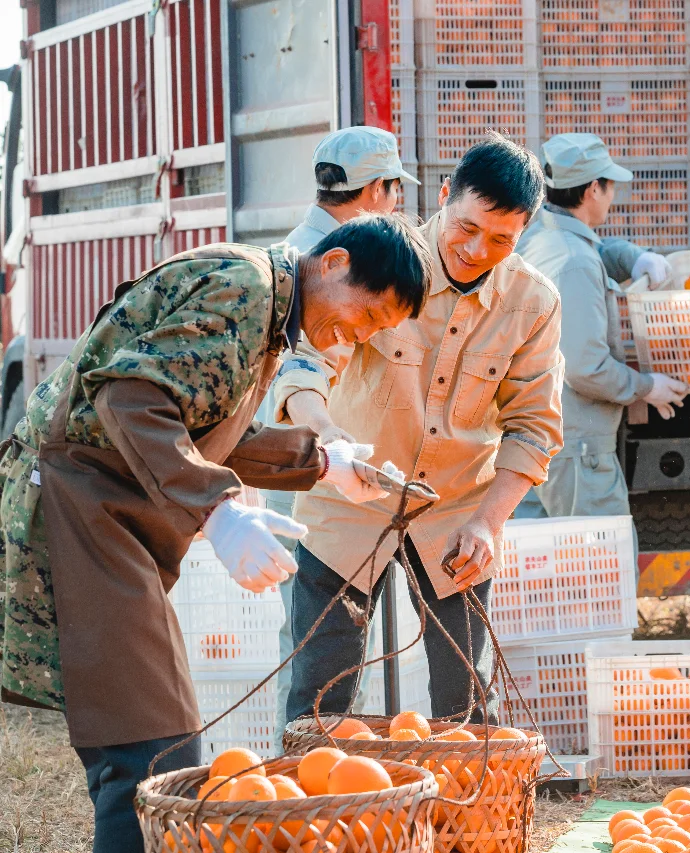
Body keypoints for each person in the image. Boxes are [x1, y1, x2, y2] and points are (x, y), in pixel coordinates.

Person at [0, 214, 432, 852]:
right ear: (335, 262)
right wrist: (220, 510)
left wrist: (325, 463)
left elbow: (210, 428)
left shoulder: (268, 312)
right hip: (80, 502)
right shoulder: (247, 289)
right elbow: (131, 399)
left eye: (376, 332)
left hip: (105, 508)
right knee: (147, 744)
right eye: (368, 315)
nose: (356, 336)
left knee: (152, 738)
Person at [275, 133, 564, 726]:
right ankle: (317, 812)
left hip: (457, 511)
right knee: (320, 692)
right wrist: (328, 437)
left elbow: (533, 428)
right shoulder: (384, 257)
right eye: (466, 227)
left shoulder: (534, 302)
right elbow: (305, 366)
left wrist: (489, 521)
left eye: (502, 240)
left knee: (466, 698)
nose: (478, 250)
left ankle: (467, 817)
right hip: (352, 500)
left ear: (525, 232)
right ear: (442, 197)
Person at [268, 126, 419, 746]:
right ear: (379, 188)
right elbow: (302, 374)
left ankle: (310, 764)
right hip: (320, 472)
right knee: (319, 646)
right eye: (394, 190)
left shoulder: (297, 249)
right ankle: (307, 772)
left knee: (306, 636)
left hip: (314, 465)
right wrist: (332, 442)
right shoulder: (334, 270)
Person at [515, 133, 688, 519]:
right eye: (609, 186)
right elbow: (585, 367)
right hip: (577, 447)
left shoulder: (541, 236)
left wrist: (632, 258)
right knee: (595, 566)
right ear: (594, 189)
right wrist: (645, 387)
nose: (611, 196)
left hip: (539, 433)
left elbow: (592, 255)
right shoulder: (574, 262)